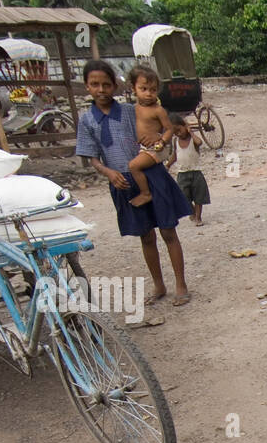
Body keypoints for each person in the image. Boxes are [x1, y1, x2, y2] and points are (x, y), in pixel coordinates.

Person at [75, 60, 193, 308]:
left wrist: (160, 139)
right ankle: (159, 284)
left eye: (106, 84)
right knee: (145, 236)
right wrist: (108, 172)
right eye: (95, 85)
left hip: (152, 174)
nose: (101, 90)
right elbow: (92, 157)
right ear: (86, 86)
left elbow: (163, 129)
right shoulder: (87, 121)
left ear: (116, 86)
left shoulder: (133, 110)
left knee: (168, 231)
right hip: (122, 182)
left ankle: (180, 284)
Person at [125, 65, 175, 208]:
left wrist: (162, 141)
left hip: (157, 148)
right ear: (134, 89)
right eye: (144, 89)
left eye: (153, 90)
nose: (148, 94)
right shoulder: (133, 109)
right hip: (144, 147)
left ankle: (146, 193)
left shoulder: (158, 110)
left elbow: (169, 129)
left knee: (133, 166)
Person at [168, 113, 209, 226]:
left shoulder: (193, 140)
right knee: (183, 196)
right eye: (175, 132)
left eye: (179, 129)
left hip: (195, 172)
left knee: (198, 197)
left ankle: (198, 217)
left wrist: (190, 132)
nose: (178, 133)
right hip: (182, 173)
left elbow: (199, 142)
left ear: (184, 126)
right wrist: (167, 165)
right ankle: (192, 211)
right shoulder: (176, 141)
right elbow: (175, 156)